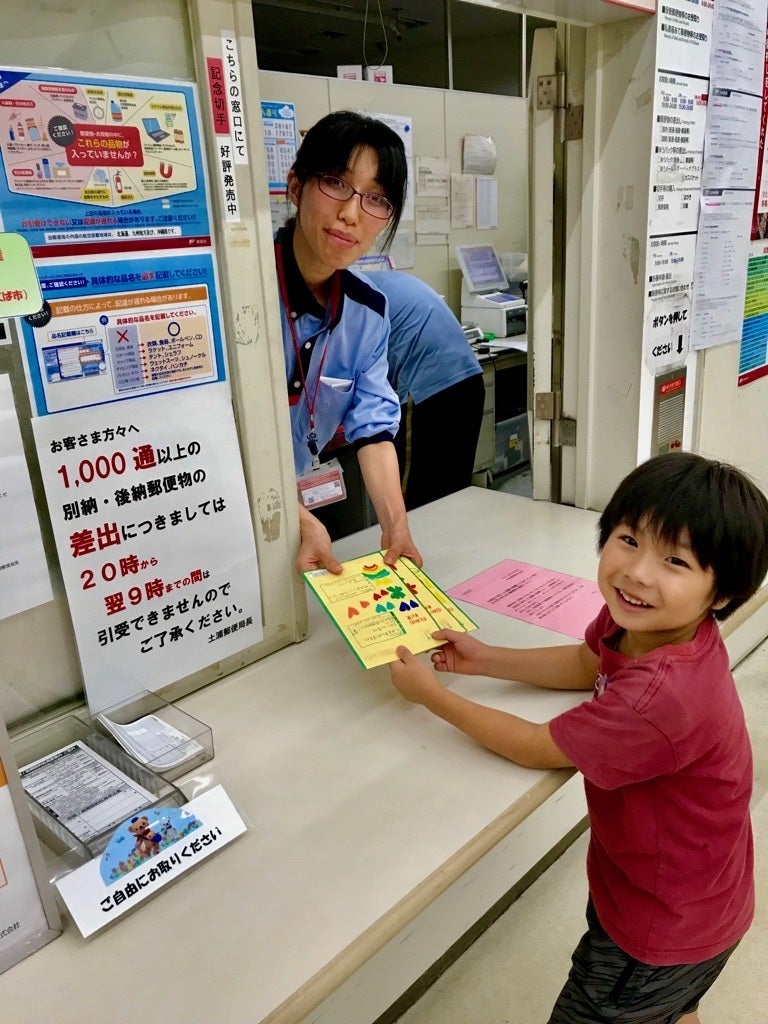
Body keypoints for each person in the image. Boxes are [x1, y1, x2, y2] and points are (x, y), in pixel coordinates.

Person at [387, 451, 768, 1024]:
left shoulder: (662, 694)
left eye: (675, 561)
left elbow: (537, 748)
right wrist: (485, 659)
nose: (638, 573)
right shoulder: (644, 624)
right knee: (667, 1011)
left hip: (658, 927)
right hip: (694, 892)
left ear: (721, 594)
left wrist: (432, 697)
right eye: (628, 540)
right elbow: (586, 661)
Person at [274, 110, 422, 575]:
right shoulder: (241, 291)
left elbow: (373, 425)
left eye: (376, 198)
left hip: (292, 506)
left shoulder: (368, 310)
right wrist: (299, 519)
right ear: (295, 186)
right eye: (336, 183)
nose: (351, 214)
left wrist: (396, 526)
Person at [366, 270, 485, 510]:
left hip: (427, 391)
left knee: (414, 497)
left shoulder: (353, 297)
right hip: (469, 381)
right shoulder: (387, 280)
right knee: (453, 488)